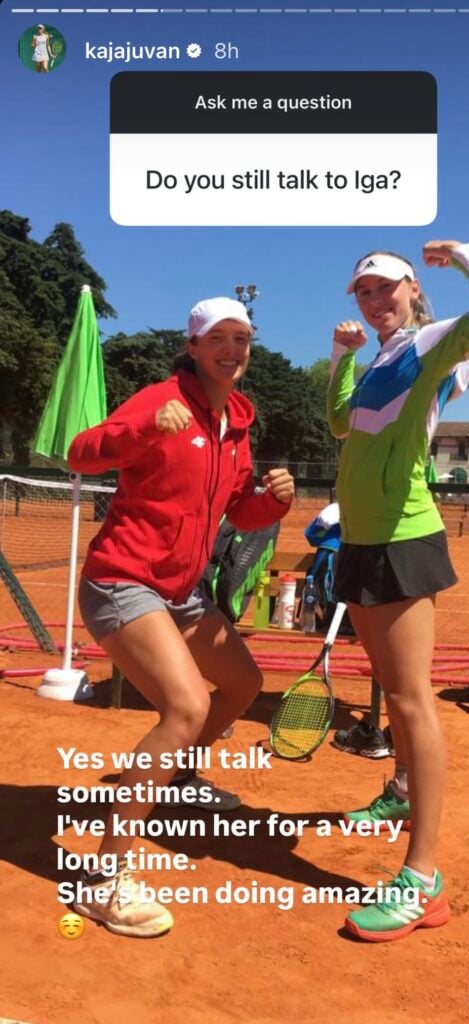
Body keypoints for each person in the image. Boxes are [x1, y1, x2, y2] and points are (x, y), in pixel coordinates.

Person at [67, 296, 294, 937]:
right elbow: (82, 453)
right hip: (121, 581)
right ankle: (103, 880)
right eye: (217, 338)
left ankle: (173, 777)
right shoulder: (161, 399)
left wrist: (273, 503)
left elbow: (239, 511)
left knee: (244, 684)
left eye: (241, 338)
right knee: (187, 707)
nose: (231, 350)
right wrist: (144, 429)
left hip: (180, 591)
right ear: (193, 347)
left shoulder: (237, 422)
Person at [327, 241, 469, 941]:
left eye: (386, 287)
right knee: (391, 686)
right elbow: (339, 424)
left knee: (412, 700)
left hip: (403, 536)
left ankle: (422, 879)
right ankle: (403, 790)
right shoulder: (380, 358)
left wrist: (466, 254)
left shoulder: (430, 342)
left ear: (412, 288)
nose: (374, 300)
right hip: (360, 538)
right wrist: (340, 357)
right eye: (363, 291)